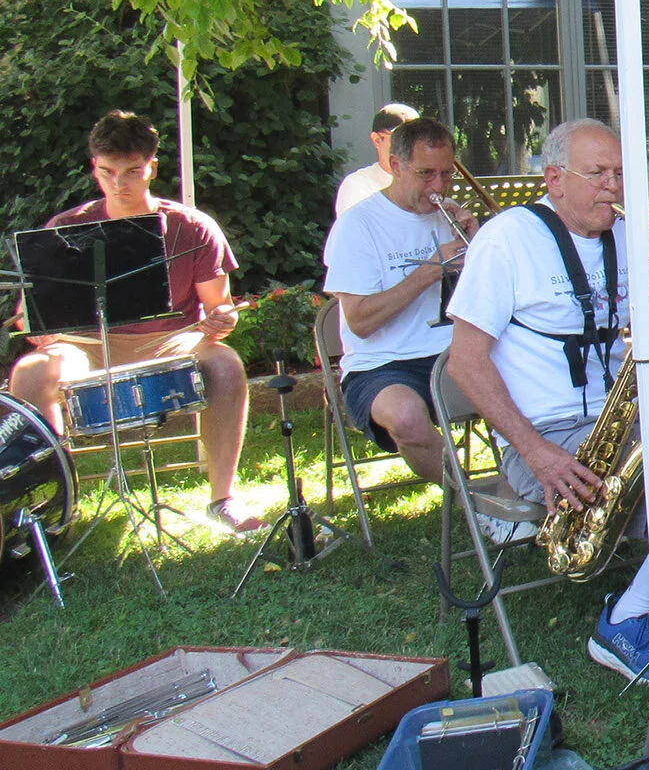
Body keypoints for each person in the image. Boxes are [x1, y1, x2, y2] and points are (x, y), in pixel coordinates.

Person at [447, 117, 649, 687]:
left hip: (620, 421)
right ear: (555, 178)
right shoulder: (507, 239)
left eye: (620, 173)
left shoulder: (626, 238)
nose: (613, 186)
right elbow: (465, 362)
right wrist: (536, 454)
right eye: (598, 174)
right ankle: (629, 619)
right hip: (545, 437)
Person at [8, 110, 263, 532]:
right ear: (94, 168)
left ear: (152, 168)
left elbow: (221, 308)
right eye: (107, 173)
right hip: (84, 344)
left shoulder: (192, 227)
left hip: (170, 339)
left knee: (225, 363)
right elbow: (31, 313)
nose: (119, 184)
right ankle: (55, 504)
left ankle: (223, 498)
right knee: (31, 372)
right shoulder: (66, 227)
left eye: (131, 172)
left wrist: (221, 319)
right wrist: (34, 324)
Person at [321, 118, 478, 486]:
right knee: (406, 417)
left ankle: (530, 486)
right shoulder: (358, 225)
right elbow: (359, 320)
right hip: (384, 365)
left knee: (537, 380)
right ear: (395, 165)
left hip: (458, 353)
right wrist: (430, 270)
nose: (438, 187)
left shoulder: (448, 216)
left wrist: (482, 245)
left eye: (446, 174)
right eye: (426, 174)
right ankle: (477, 503)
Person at [335, 103, 421, 216]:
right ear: (377, 140)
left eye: (418, 137)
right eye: (401, 138)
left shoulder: (430, 182)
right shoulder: (358, 185)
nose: (411, 145)